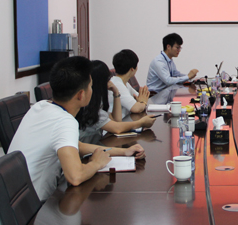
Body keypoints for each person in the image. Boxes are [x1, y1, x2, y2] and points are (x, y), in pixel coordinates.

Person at [8, 56, 145, 201]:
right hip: (35, 206)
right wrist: (96, 163)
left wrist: (124, 152)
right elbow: (75, 176)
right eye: (91, 86)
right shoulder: (65, 121)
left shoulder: (40, 106)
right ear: (81, 94)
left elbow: (78, 146)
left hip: (14, 199)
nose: (92, 90)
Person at [77, 60, 156, 144]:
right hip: (89, 149)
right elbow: (117, 128)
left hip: (96, 144)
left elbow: (117, 120)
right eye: (108, 79)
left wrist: (116, 93)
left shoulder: (97, 102)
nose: (110, 82)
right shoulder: (89, 107)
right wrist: (141, 122)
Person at [109, 49, 150, 118]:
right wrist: (143, 103)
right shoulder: (117, 85)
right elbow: (136, 108)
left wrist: (141, 102)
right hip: (120, 122)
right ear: (132, 69)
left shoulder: (124, 82)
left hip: (127, 119)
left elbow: (139, 97)